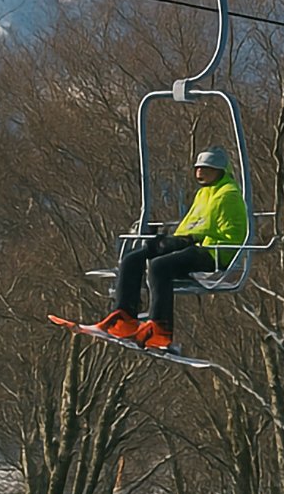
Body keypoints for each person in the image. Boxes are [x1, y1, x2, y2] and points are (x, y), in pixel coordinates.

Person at [89, 145, 248, 351]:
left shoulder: (227, 194)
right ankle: (123, 316)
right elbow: (191, 224)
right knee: (133, 258)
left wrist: (176, 242)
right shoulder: (204, 193)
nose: (200, 173)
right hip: (200, 243)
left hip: (216, 251)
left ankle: (160, 329)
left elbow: (203, 226)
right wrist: (168, 241)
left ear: (220, 171)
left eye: (207, 169)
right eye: (198, 168)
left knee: (159, 266)